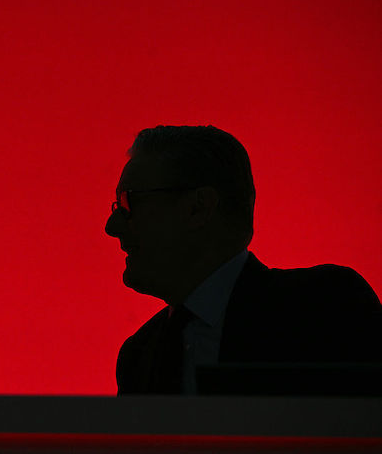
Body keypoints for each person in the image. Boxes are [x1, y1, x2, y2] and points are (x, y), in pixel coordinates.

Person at [105, 125, 382, 395]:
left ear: (198, 208)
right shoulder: (138, 357)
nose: (112, 226)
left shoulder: (326, 308)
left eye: (128, 204)